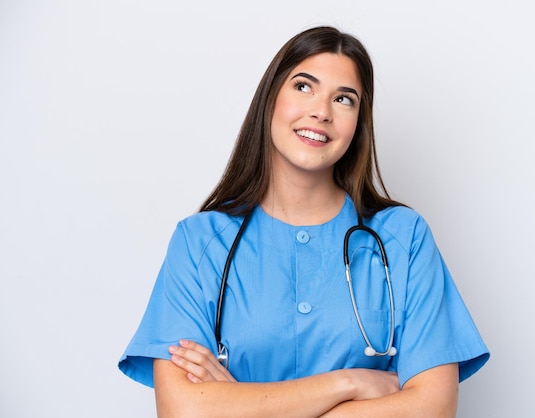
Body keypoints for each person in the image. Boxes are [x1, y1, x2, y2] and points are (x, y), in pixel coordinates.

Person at [119, 26, 489, 417]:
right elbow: (184, 412)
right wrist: (350, 382)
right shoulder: (200, 242)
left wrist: (240, 405)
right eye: (303, 87)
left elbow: (432, 409)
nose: (322, 111)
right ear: (270, 99)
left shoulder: (403, 238)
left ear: (358, 123)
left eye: (344, 99)